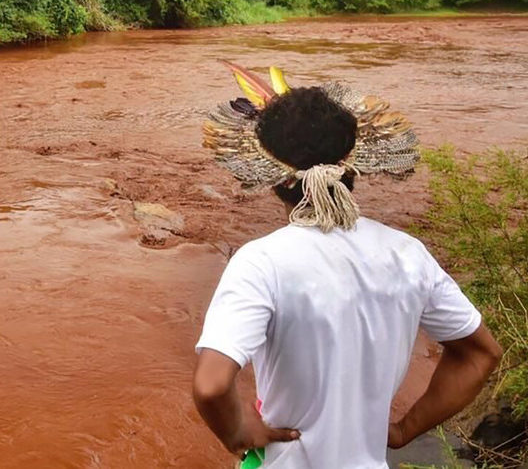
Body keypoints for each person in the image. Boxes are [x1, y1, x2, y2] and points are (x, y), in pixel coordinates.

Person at [192, 64, 503, 468]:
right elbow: (481, 354)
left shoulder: (261, 262)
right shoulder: (407, 254)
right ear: (352, 167)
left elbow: (212, 386)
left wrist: (236, 430)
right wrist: (405, 429)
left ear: (272, 178)